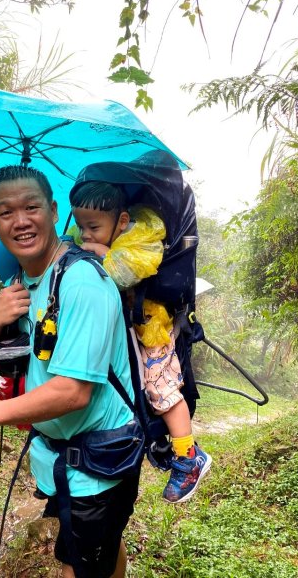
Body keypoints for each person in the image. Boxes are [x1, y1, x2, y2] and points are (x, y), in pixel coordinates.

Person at [0, 165, 140, 578]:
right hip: (64, 457)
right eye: (6, 212)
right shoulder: (19, 282)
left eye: (31, 206)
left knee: (75, 565)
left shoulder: (82, 282)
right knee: (101, 545)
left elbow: (73, 392)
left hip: (99, 462)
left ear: (51, 209)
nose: (21, 220)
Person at [69, 180, 212, 503]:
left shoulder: (142, 235)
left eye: (93, 227)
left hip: (152, 329)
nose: (86, 234)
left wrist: (103, 254)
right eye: (80, 226)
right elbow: (75, 246)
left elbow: (127, 273)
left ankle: (190, 457)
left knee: (160, 389)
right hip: (125, 328)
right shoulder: (95, 232)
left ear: (121, 220)